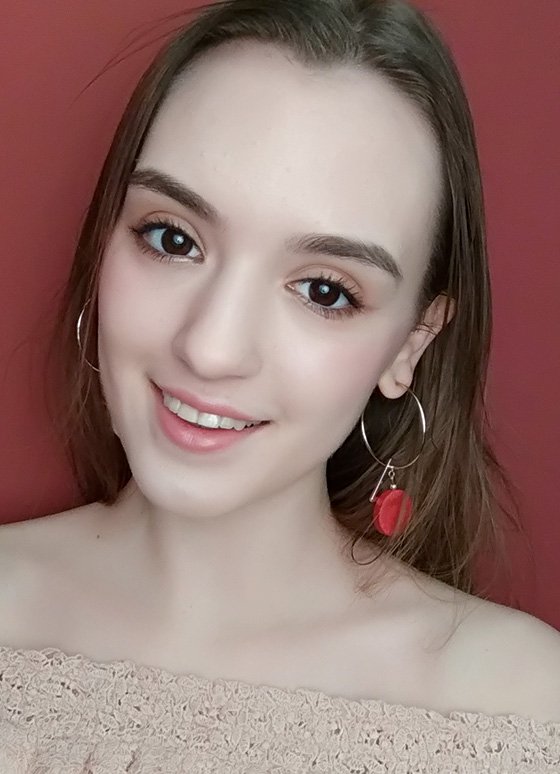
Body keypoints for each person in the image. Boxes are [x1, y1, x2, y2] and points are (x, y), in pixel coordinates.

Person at [0, 0, 559, 770]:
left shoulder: (521, 716)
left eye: (325, 291)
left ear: (412, 344)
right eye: (172, 238)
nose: (211, 347)